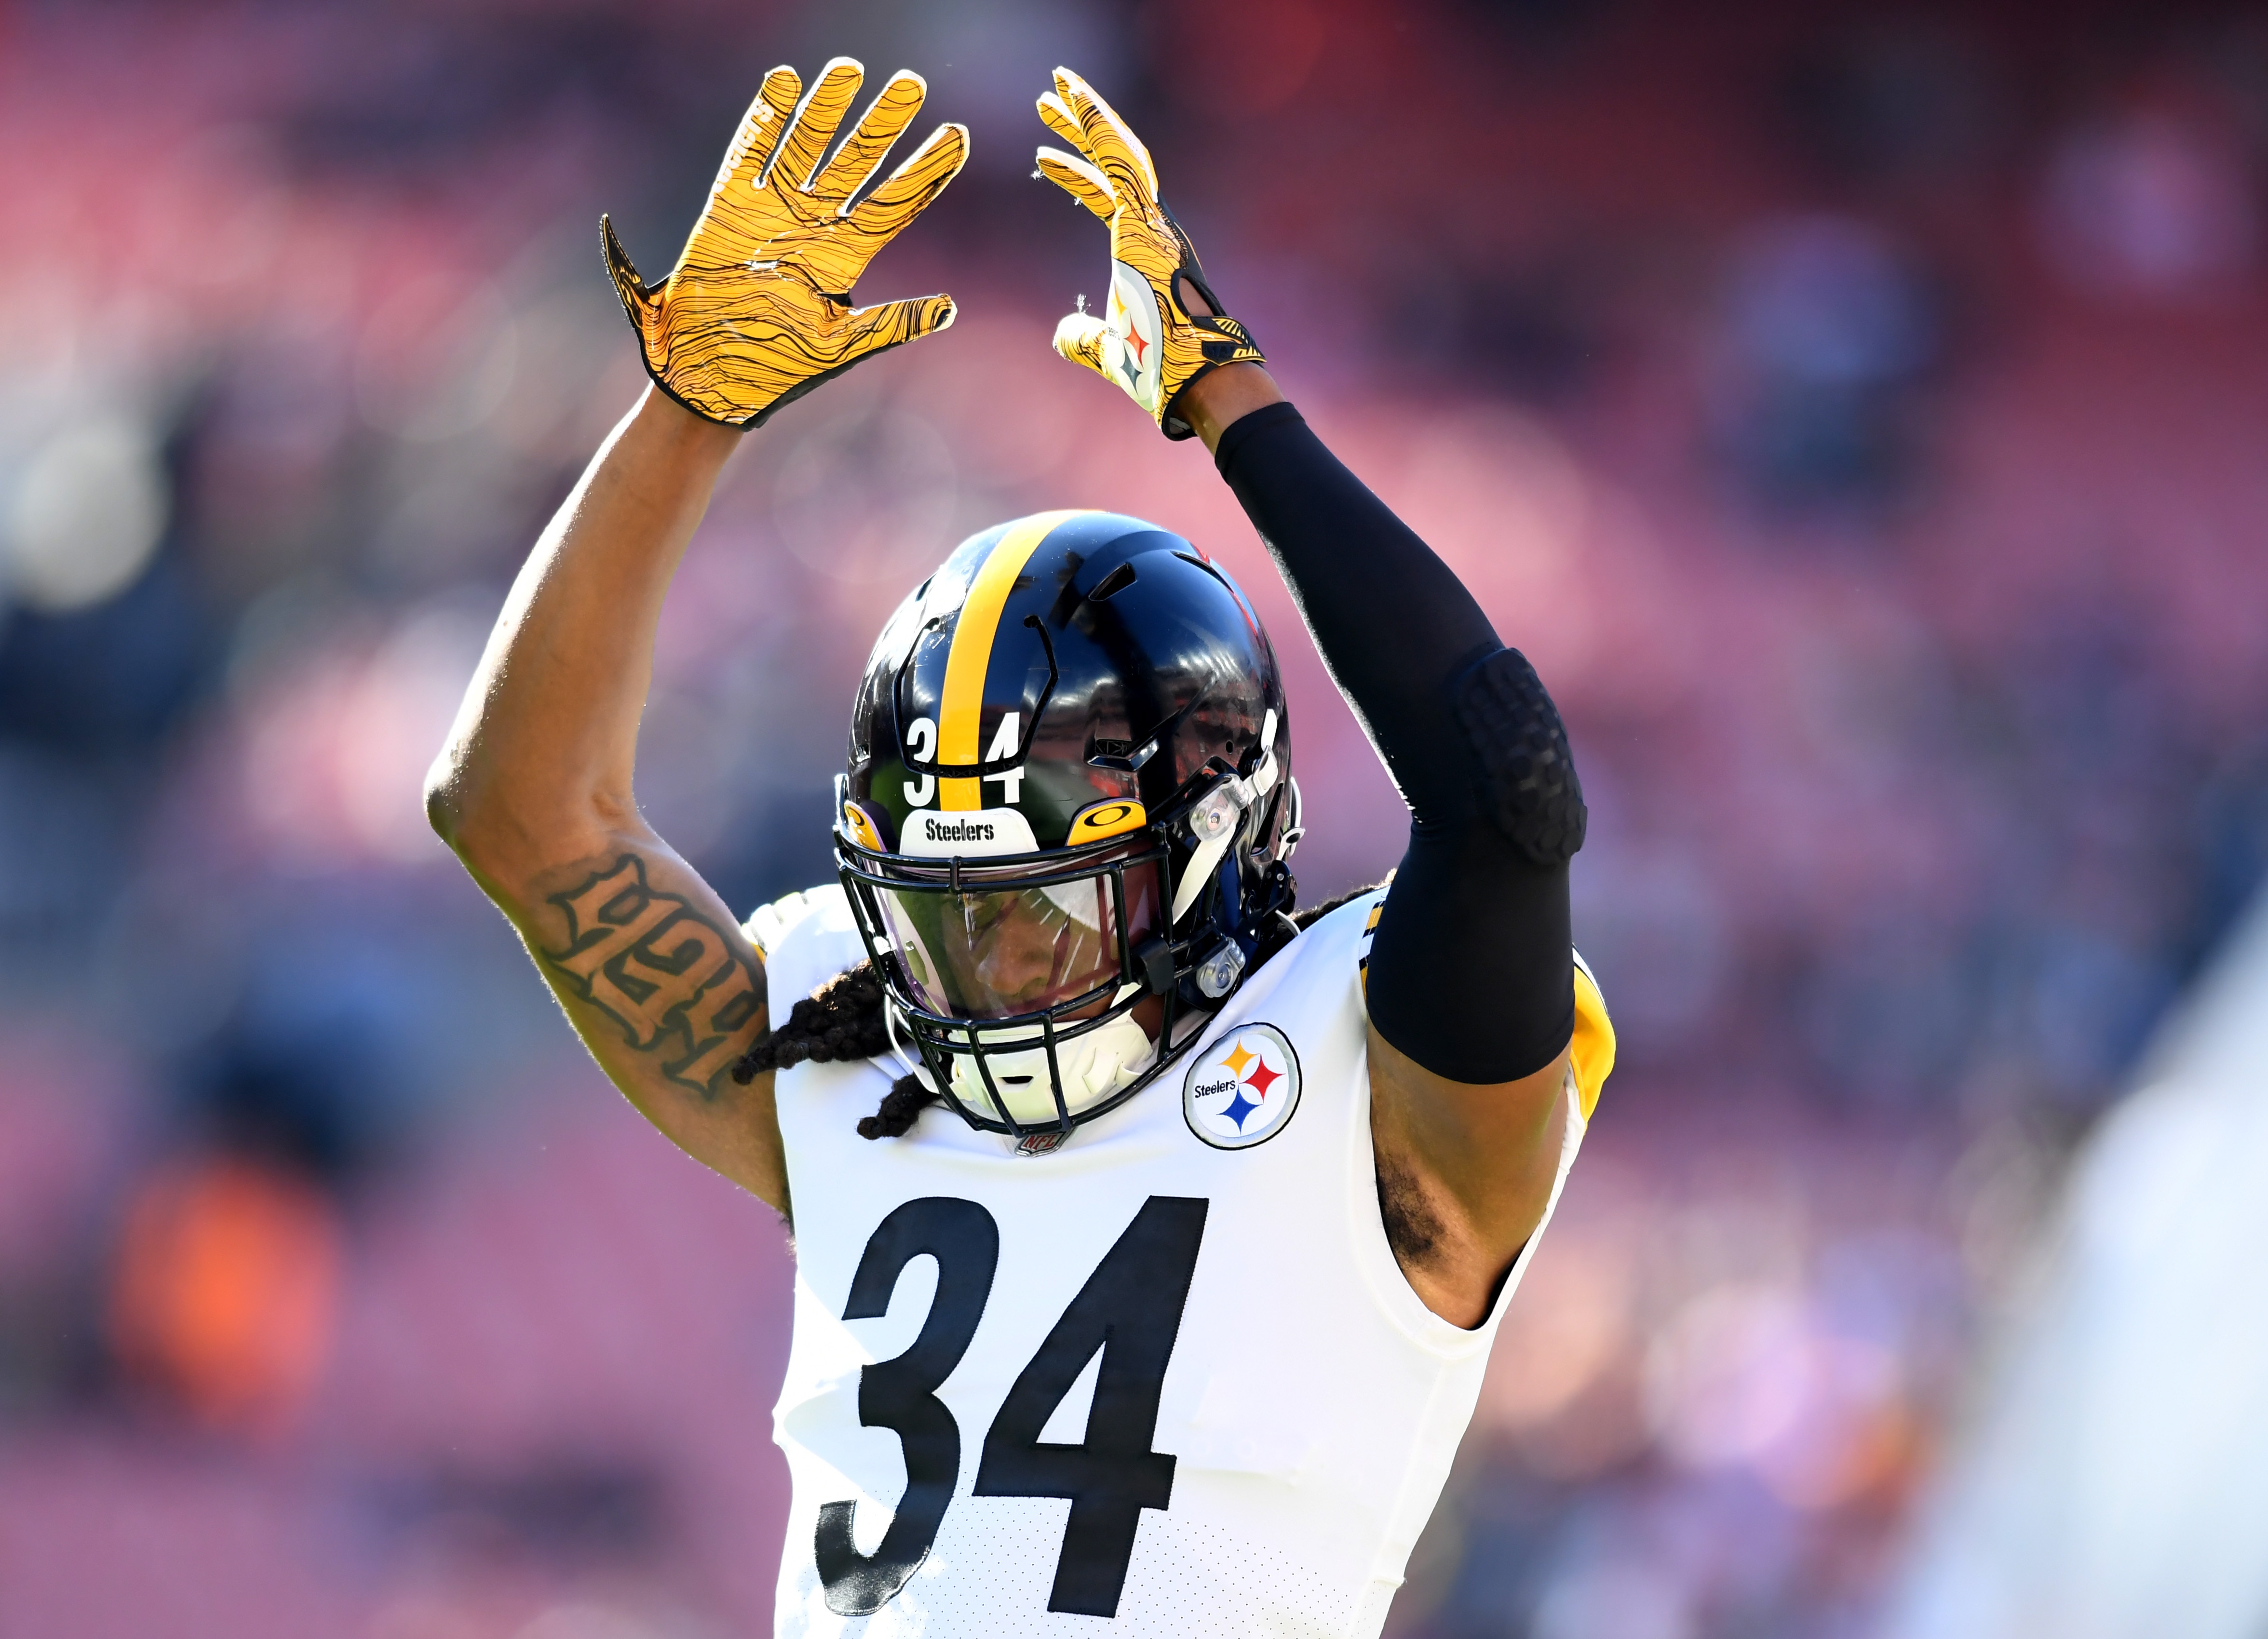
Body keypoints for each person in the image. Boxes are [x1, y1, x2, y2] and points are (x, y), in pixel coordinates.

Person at [428, 57, 1614, 1639]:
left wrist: (1228, 399)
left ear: (1209, 847)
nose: (982, 973)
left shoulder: (1377, 1084)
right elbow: (515, 813)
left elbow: (1503, 788)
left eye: (1043, 906)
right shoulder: (851, 1045)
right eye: (938, 918)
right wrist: (690, 406)